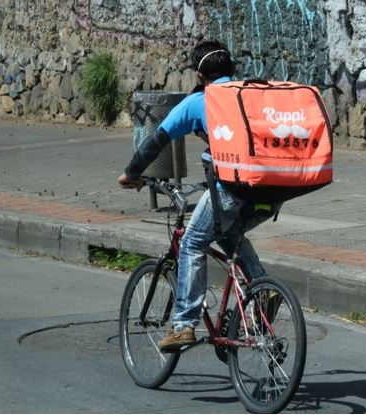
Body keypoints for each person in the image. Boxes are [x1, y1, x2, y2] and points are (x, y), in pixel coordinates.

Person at [118, 41, 278, 351]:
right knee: (229, 234)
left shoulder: (202, 101)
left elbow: (157, 139)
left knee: (192, 242)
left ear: (199, 74)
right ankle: (262, 289)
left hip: (232, 190)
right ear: (232, 70)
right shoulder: (253, 94)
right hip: (272, 190)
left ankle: (183, 324)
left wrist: (131, 173)